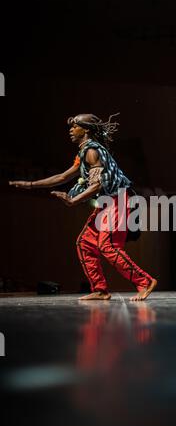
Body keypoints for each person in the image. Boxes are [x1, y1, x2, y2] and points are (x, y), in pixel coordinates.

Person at [9, 113, 157, 301]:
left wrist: (73, 200)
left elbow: (97, 184)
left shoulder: (92, 151)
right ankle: (100, 290)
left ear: (85, 129)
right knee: (85, 243)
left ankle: (144, 282)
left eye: (75, 126)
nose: (71, 130)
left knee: (108, 246)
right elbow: (63, 177)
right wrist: (30, 185)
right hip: (107, 203)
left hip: (117, 200)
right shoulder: (83, 152)